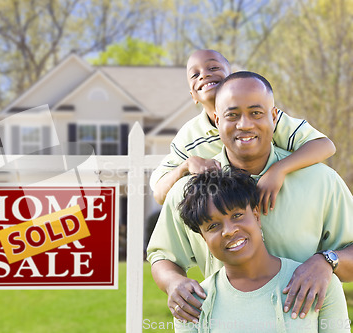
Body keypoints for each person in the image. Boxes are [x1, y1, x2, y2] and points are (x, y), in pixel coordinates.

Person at [147, 71, 353, 324]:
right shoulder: (190, 191)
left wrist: (326, 261)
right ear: (216, 119)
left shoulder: (321, 181)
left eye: (256, 113)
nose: (244, 124)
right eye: (232, 115)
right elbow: (162, 255)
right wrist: (173, 283)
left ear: (274, 116)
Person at [150, 50, 336, 213]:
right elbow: (159, 194)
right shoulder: (188, 137)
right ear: (193, 96)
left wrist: (278, 170)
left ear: (232, 78)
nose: (204, 75)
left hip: (281, 206)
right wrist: (186, 165)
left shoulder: (264, 118)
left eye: (213, 68)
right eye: (195, 74)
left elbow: (325, 146)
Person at [174, 167, 350, 332]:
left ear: (256, 216)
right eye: (213, 226)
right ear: (204, 238)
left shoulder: (318, 284)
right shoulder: (192, 303)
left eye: (237, 215)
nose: (229, 231)